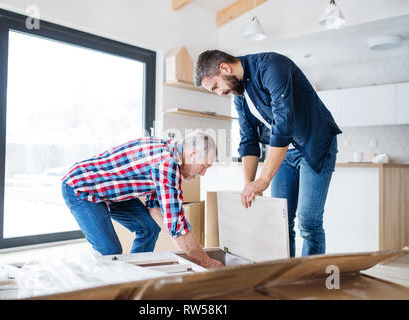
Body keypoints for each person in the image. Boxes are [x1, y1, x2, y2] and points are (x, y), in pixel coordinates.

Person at [195, 50, 342, 257]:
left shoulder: (271, 67)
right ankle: (286, 276)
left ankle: (311, 279)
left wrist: (263, 179)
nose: (219, 92)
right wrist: (249, 184)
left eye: (216, 86)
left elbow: (283, 126)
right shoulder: (240, 96)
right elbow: (249, 141)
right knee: (281, 221)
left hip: (314, 144)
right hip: (284, 153)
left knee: (308, 221)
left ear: (225, 68)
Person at [61, 131, 224, 269]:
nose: (202, 173)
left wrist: (189, 246)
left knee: (149, 228)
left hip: (111, 192)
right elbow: (177, 226)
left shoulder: (167, 155)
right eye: (204, 166)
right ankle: (107, 290)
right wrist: (205, 261)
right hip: (81, 187)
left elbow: (156, 210)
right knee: (110, 250)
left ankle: (133, 276)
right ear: (193, 154)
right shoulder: (167, 164)